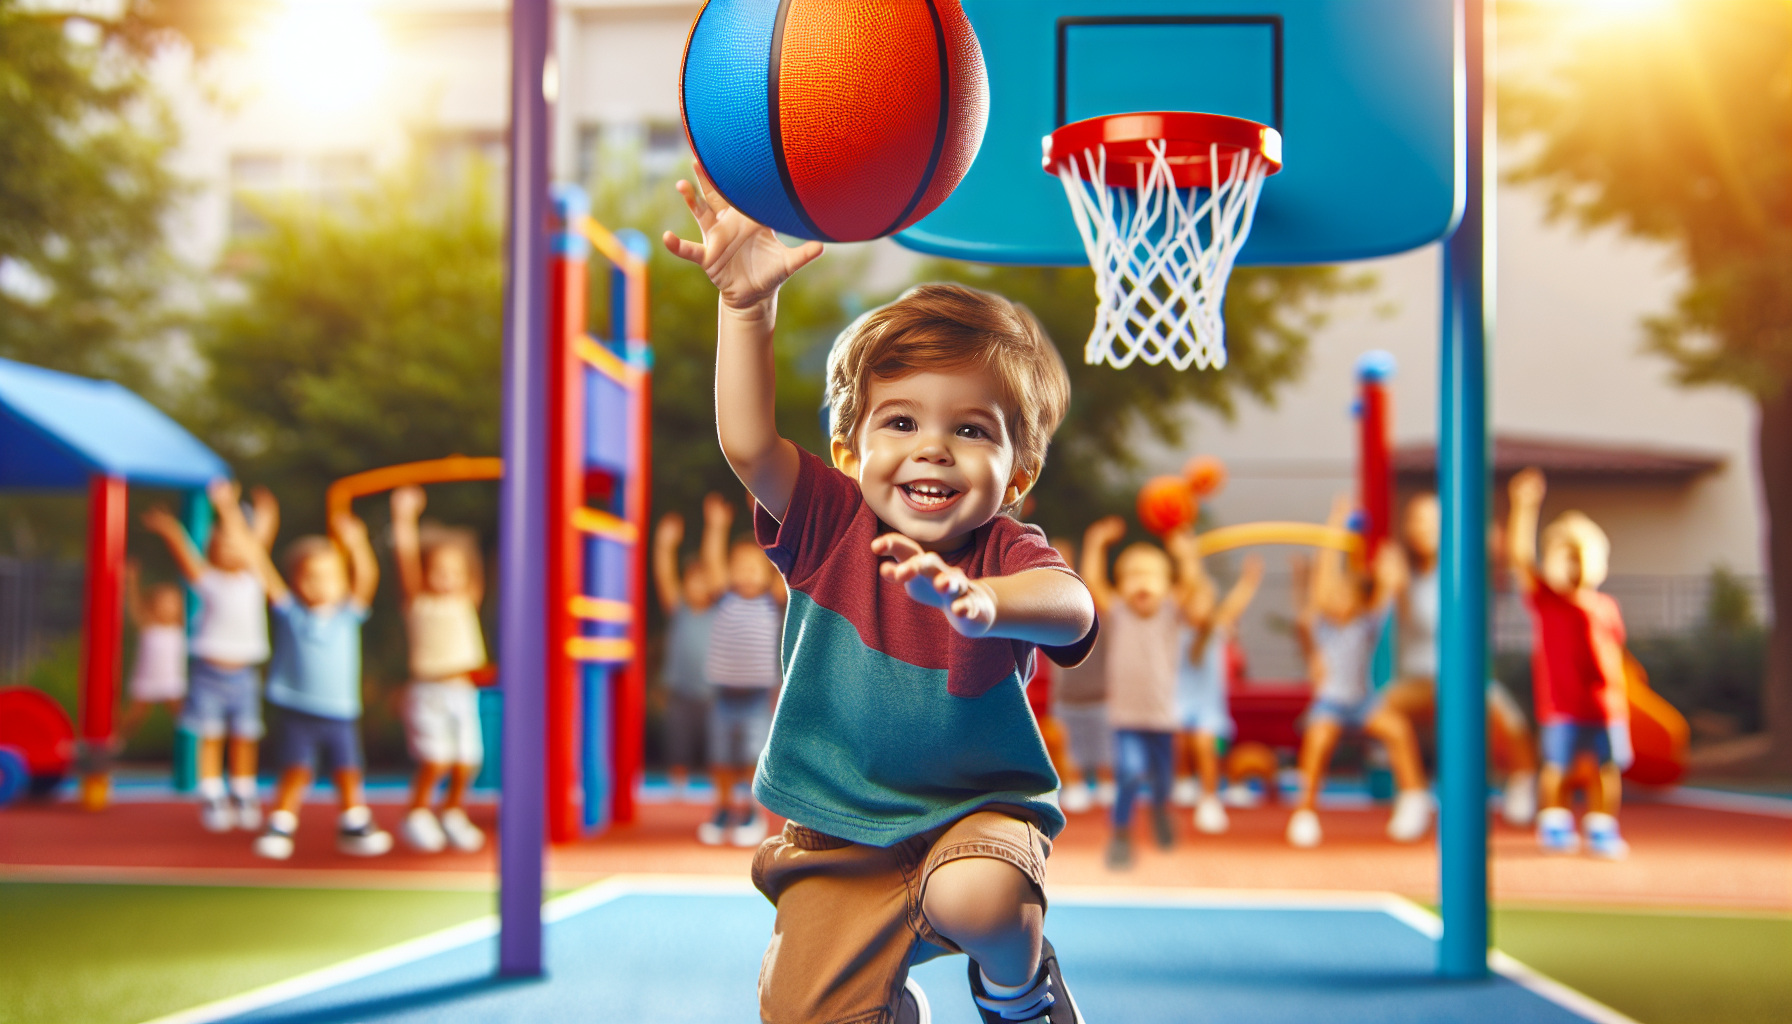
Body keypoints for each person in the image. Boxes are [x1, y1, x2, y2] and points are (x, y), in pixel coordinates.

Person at [665, 167, 1099, 1024]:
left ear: (1018, 474)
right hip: (836, 835)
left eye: (970, 429)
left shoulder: (1003, 550)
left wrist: (991, 605)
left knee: (980, 900)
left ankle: (1016, 991)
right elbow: (749, 442)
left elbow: (1074, 607)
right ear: (851, 450)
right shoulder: (828, 522)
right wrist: (745, 307)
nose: (932, 449)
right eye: (900, 421)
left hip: (974, 815)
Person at [1374, 493, 1541, 826]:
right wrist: (1392, 584)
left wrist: (1523, 506)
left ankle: (1523, 780)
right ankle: (1413, 794)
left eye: (1427, 521)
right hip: (1424, 681)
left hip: (1465, 679)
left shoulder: (1466, 570)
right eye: (1413, 521)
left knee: (1506, 719)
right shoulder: (1409, 579)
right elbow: (1400, 624)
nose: (1419, 529)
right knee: (1381, 710)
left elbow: (1500, 547)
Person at [247, 512, 393, 859]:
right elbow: (262, 573)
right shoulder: (290, 613)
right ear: (295, 581)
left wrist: (357, 543)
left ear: (344, 582)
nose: (319, 584)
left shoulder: (348, 615)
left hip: (340, 712)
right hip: (298, 709)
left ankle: (354, 823)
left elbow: (368, 576)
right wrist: (255, 536)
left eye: (329, 577)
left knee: (348, 770)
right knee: (296, 770)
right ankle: (281, 824)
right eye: (309, 577)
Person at [1507, 468, 1631, 859]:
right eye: (1567, 558)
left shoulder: (1605, 606)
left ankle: (1601, 826)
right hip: (1561, 706)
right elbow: (1519, 557)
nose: (1575, 567)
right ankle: (1555, 821)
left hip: (1605, 706)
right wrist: (1523, 508)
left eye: (1581, 557)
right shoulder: (1547, 600)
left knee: (1604, 769)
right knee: (1556, 767)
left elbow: (1616, 654)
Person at [142, 481, 276, 833]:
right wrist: (171, 528)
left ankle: (244, 790)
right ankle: (213, 791)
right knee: (211, 734)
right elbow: (185, 553)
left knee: (245, 734)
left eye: (239, 544)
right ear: (213, 549)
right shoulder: (208, 580)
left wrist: (256, 513)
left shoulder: (256, 580)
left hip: (244, 674)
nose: (233, 549)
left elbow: (257, 542)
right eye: (225, 542)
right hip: (208, 673)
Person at [1285, 496, 1415, 849]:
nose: (1335, 597)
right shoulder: (1322, 626)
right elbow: (1324, 575)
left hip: (1361, 701)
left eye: (1345, 593)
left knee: (1398, 731)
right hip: (1330, 702)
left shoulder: (1366, 624)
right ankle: (1305, 812)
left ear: (1359, 601)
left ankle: (1413, 800)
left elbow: (1385, 591)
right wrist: (1335, 525)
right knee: (1318, 740)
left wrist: (1389, 572)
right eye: (1333, 593)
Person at [1081, 516, 1207, 870]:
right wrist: (1095, 543)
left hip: (1163, 717)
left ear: (1167, 586)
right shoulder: (1119, 612)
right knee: (1130, 774)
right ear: (1121, 586)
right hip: (1127, 718)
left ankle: (1160, 811)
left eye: (1150, 577)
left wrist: (1186, 555)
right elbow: (1092, 582)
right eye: (1132, 576)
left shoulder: (1170, 611)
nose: (1141, 584)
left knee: (1164, 780)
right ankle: (1121, 834)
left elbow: (1193, 584)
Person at [390, 485, 489, 854]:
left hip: (462, 692)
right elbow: (405, 559)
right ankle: (416, 813)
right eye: (438, 570)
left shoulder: (467, 600)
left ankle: (452, 811)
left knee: (467, 761)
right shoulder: (418, 602)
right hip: (428, 692)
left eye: (455, 571)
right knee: (437, 759)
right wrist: (403, 518)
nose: (446, 577)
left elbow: (476, 564)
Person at [700, 513, 787, 847]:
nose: (747, 573)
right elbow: (712, 564)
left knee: (754, 755)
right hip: (722, 695)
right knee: (720, 756)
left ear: (768, 572)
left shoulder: (773, 600)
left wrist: (775, 518)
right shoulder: (724, 596)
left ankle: (751, 811)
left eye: (755, 567)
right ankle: (722, 808)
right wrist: (716, 527)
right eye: (740, 566)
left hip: (756, 699)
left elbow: (787, 559)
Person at [1175, 551, 1263, 835]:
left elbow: (1235, 605)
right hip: (1179, 706)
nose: (1199, 607)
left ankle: (1210, 798)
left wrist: (1249, 581)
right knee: (1177, 737)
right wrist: (1184, 553)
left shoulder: (1215, 630)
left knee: (1205, 742)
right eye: (1194, 600)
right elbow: (1191, 583)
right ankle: (1184, 780)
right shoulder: (1175, 628)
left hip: (1209, 711)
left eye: (1205, 602)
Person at [653, 494, 730, 804]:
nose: (698, 587)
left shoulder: (720, 609)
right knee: (679, 744)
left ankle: (716, 791)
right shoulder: (679, 608)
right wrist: (664, 546)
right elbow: (663, 576)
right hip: (681, 694)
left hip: (713, 695)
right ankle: (678, 787)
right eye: (692, 581)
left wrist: (716, 526)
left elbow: (716, 569)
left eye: (703, 582)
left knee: (717, 747)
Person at [1048, 538, 1112, 815]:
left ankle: (1106, 785)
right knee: (1069, 747)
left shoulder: (1100, 611)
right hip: (1067, 698)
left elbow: (1089, 580)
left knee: (1104, 747)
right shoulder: (1048, 612)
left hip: (1100, 696)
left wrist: (1096, 546)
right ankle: (1074, 785)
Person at [117, 560, 187, 742]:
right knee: (135, 715)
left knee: (183, 715)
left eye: (172, 603)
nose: (167, 607)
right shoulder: (148, 625)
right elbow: (133, 607)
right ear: (153, 604)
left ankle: (192, 746)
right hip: (146, 678)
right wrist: (132, 582)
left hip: (172, 679)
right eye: (163, 602)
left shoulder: (180, 628)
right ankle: (116, 742)